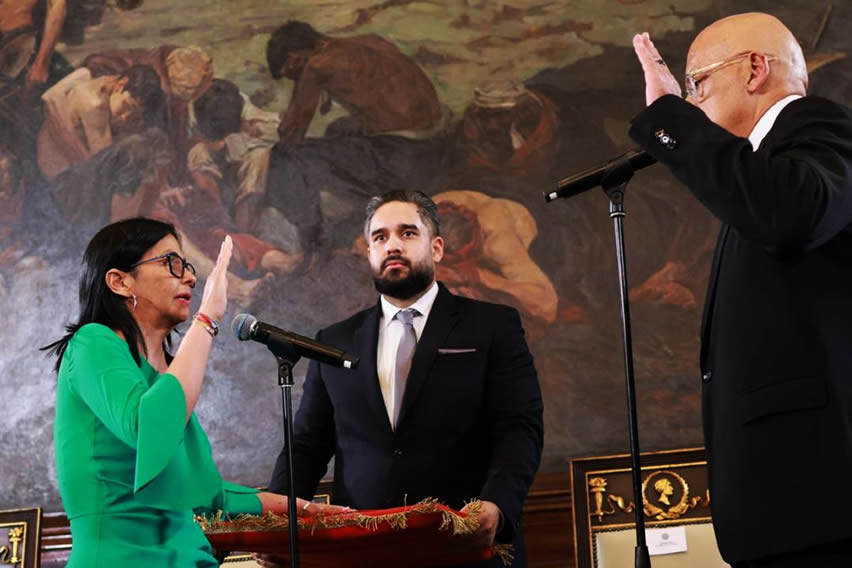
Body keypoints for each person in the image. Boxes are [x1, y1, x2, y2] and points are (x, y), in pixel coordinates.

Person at [630, 12, 852, 568]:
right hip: (787, 510)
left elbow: (788, 213)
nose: (692, 102)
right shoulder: (758, 170)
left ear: (754, 69)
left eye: (698, 84)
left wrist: (668, 117)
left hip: (821, 504)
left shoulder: (821, 127)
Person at [263, 191, 544, 567]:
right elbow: (307, 446)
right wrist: (275, 526)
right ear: (370, 253)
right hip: (365, 554)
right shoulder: (333, 341)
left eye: (407, 233)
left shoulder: (493, 325)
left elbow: (519, 428)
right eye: (380, 237)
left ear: (437, 248)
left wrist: (496, 505)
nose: (392, 245)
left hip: (467, 548)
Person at [43, 218, 340, 567]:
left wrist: (305, 510)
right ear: (120, 281)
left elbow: (208, 496)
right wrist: (207, 318)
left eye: (187, 266)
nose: (190, 278)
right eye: (172, 263)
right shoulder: (92, 342)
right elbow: (147, 428)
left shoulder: (169, 376)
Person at [266, 20, 445, 145]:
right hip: (441, 126)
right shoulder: (371, 40)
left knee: (288, 159)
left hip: (409, 141)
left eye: (291, 76)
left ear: (294, 60)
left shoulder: (316, 66)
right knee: (338, 128)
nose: (296, 81)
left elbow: (290, 134)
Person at [37, 63, 163, 182]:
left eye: (134, 117)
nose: (125, 118)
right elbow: (103, 168)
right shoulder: (95, 106)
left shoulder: (85, 75)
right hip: (58, 176)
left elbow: (49, 96)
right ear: (119, 86)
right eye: (128, 106)